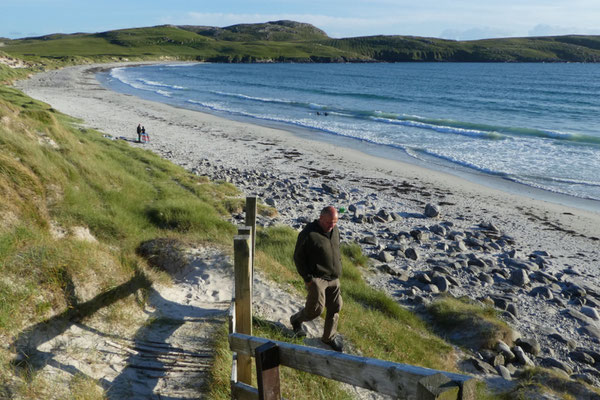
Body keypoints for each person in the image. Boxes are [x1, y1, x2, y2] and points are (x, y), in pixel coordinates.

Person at [290, 206, 344, 352]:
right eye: (328, 222)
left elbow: (335, 250)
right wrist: (308, 279)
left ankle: (329, 337)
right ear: (321, 218)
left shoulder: (335, 230)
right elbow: (298, 257)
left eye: (335, 222)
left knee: (336, 306)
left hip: (333, 277)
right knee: (315, 310)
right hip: (317, 277)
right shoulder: (308, 233)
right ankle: (296, 320)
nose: (331, 226)